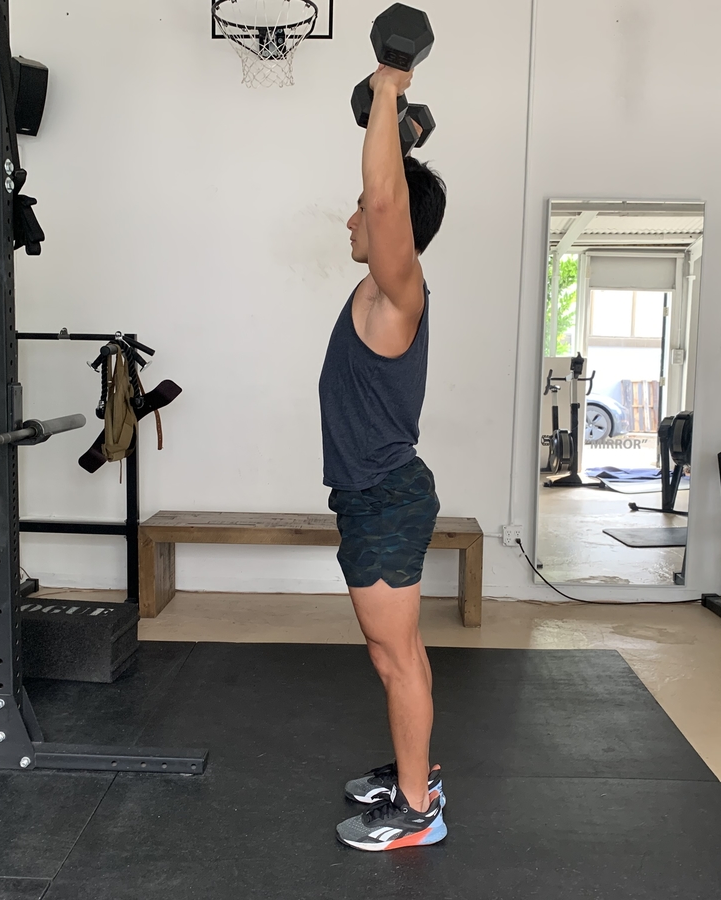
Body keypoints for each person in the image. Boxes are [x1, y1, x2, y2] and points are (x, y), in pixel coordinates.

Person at [318, 62, 447, 852]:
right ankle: (414, 773)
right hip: (373, 496)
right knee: (393, 650)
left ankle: (416, 812)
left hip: (384, 498)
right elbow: (389, 195)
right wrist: (404, 135)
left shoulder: (401, 291)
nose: (351, 220)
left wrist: (390, 89)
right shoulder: (379, 289)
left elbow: (389, 199)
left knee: (396, 657)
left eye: (362, 211)